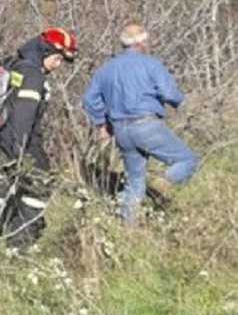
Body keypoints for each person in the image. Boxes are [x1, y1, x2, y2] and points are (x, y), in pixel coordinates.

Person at [82, 23, 199, 225]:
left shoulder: (106, 69)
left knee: (135, 181)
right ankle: (163, 185)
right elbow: (169, 93)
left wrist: (102, 124)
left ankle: (129, 229)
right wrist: (182, 102)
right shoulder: (150, 64)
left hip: (121, 131)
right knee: (188, 160)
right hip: (146, 125)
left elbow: (89, 99)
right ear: (142, 42)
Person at [0, 27, 78, 251]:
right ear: (45, 52)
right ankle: (18, 248)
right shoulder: (33, 76)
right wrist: (23, 154)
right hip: (20, 146)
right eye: (57, 59)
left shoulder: (13, 64)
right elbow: (24, 117)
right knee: (38, 191)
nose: (58, 65)